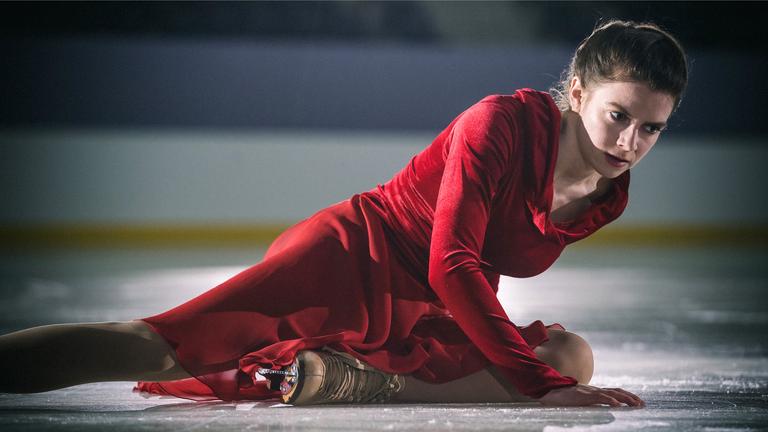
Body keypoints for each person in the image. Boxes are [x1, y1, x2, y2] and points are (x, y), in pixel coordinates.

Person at [0, 19, 687, 408]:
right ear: (577, 92)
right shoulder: (501, 122)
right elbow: (453, 261)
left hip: (430, 304)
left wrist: (544, 376)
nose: (630, 143)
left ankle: (356, 378)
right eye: (618, 116)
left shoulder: (609, 193)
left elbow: (475, 269)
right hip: (353, 258)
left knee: (570, 356)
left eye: (651, 128)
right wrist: (536, 388)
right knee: (156, 345)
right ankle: (323, 369)